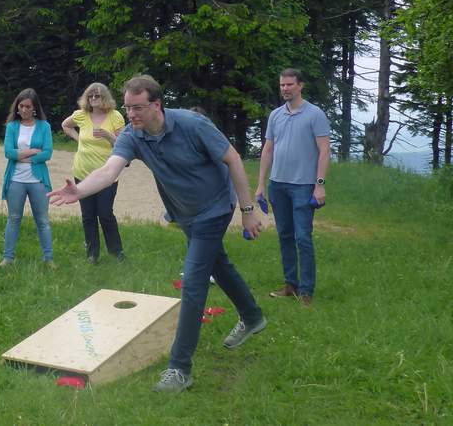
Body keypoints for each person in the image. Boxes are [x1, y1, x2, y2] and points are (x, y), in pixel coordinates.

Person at [49, 75, 266, 392]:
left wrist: (248, 211)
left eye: (137, 108)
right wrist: (79, 190)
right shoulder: (133, 136)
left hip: (215, 208)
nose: (131, 114)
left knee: (193, 281)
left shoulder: (192, 124)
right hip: (185, 213)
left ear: (156, 105)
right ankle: (252, 315)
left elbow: (232, 158)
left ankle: (180, 369)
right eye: (127, 107)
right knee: (217, 263)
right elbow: (110, 170)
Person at [256, 68, 330, 307]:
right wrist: (260, 186)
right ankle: (290, 285)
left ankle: (306, 292)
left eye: (289, 85)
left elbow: (324, 150)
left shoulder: (315, 114)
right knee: (284, 236)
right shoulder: (276, 115)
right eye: (282, 85)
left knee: (303, 239)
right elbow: (268, 150)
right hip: (278, 185)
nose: (285, 89)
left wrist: (319, 185)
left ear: (300, 86)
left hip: (303, 186)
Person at [61, 83, 125, 264]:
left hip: (108, 174)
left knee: (105, 213)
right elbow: (65, 125)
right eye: (90, 96)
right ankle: (92, 254)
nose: (93, 99)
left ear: (104, 97)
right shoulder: (80, 115)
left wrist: (108, 135)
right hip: (82, 172)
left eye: (97, 96)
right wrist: (78, 138)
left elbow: (123, 144)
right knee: (88, 215)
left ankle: (116, 252)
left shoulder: (115, 116)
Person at [0, 88, 55, 268]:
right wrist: (32, 152)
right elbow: (8, 152)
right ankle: (8, 257)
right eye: (21, 106)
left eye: (28, 106)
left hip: (38, 180)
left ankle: (48, 258)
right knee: (14, 218)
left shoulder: (44, 126)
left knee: (43, 220)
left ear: (35, 108)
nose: (24, 110)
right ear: (17, 107)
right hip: (16, 179)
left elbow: (47, 153)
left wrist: (21, 155)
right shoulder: (12, 127)